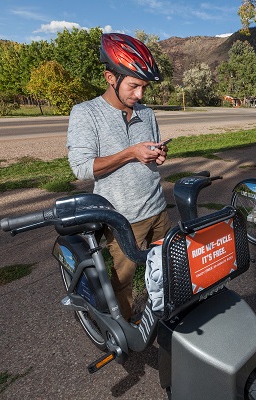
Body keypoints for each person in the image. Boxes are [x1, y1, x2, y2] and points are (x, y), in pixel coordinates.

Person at [67, 33, 171, 321]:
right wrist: (130, 153)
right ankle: (125, 328)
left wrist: (159, 155)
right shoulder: (86, 113)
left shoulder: (147, 113)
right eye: (134, 85)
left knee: (166, 270)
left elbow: (151, 153)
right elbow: (82, 167)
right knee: (123, 280)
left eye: (144, 87)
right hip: (122, 218)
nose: (140, 95)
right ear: (110, 77)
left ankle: (155, 312)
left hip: (159, 210)